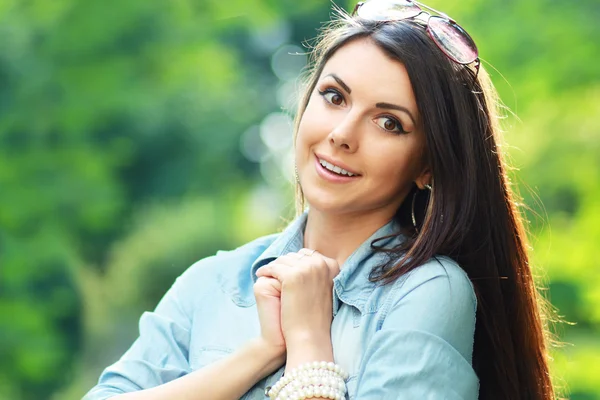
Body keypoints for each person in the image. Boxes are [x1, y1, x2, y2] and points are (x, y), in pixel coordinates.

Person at [84, 0, 556, 399]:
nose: (342, 135)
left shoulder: (428, 292)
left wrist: (309, 344)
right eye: (334, 97)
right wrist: (262, 353)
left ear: (427, 165)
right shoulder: (211, 282)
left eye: (388, 123)